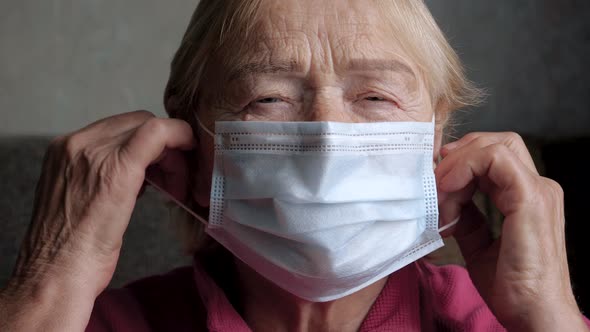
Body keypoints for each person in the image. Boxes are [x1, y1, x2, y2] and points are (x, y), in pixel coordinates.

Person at [1, 1, 588, 331]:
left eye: (376, 97)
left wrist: (549, 314)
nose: (327, 134)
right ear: (190, 154)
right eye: (268, 98)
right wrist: (49, 281)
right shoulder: (101, 324)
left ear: (437, 142)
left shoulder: (497, 323)